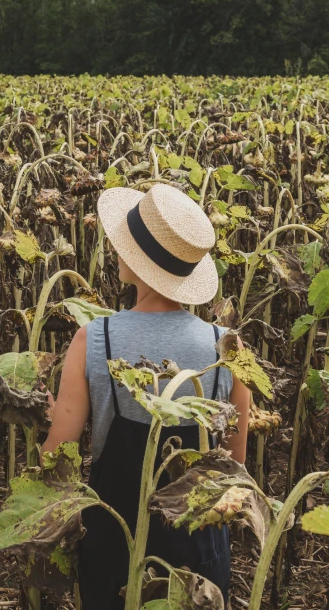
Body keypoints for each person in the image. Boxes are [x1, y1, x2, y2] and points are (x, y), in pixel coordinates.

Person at [41, 183, 250, 609]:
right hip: (199, 556)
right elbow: (234, 468)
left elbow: (55, 460)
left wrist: (43, 419)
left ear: (138, 264)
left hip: (115, 545)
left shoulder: (93, 339)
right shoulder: (229, 348)